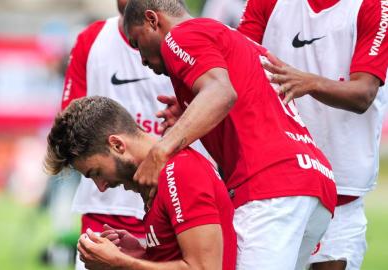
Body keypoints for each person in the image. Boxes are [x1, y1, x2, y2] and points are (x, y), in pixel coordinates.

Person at [123, 1, 337, 269]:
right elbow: (240, 96)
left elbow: (221, 93)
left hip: (272, 184)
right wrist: (191, 107)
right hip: (312, 179)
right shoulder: (233, 37)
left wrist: (160, 150)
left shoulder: (181, 34)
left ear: (153, 20)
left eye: (136, 42)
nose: (141, 59)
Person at [238, 0, 388, 269]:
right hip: (275, 188)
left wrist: (309, 82)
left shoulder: (374, 6)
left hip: (342, 193)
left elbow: (364, 93)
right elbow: (232, 65)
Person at [44, 96, 237, 270]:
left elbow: (205, 267)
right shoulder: (161, 179)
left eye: (97, 173)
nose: (101, 187)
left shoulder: (180, 172)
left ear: (117, 145)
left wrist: (122, 263)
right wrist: (143, 255)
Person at [61, 1, 177, 268]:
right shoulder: (92, 40)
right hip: (106, 210)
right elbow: (70, 127)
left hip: (172, 203)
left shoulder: (190, 36)